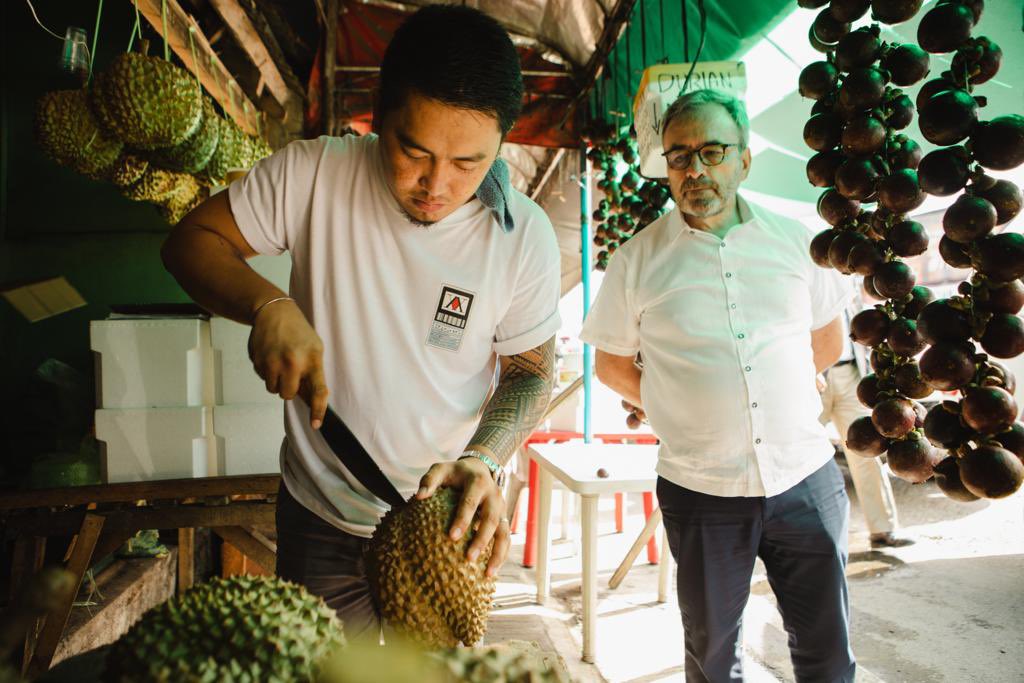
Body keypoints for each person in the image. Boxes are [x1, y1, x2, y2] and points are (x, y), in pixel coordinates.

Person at [161, 5, 561, 637]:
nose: (436, 184)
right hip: (321, 511)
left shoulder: (523, 237)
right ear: (379, 114)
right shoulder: (312, 174)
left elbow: (531, 373)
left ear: (501, 144)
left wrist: (484, 458)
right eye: (413, 150)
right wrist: (269, 304)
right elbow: (191, 241)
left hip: (443, 521)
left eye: (468, 164)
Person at [581, 89, 856, 682]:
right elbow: (611, 364)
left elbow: (826, 342)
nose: (695, 169)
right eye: (679, 156)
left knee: (827, 650)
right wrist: (674, 407)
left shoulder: (796, 241)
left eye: (712, 151)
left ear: (744, 160)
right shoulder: (637, 261)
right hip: (701, 489)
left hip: (804, 476)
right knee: (712, 657)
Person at [819, 305, 914, 549]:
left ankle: (883, 529)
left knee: (867, 450)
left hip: (851, 373)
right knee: (797, 453)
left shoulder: (845, 274)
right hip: (814, 375)